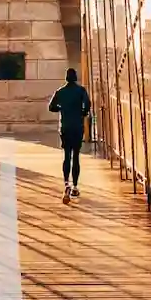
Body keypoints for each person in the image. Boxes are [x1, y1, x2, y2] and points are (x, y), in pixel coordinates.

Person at [49, 67, 92, 202]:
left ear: (66, 78)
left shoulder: (60, 91)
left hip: (65, 127)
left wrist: (61, 108)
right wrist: (83, 112)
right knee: (76, 157)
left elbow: (51, 107)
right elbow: (88, 104)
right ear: (76, 77)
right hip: (77, 127)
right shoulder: (81, 91)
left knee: (67, 156)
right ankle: (75, 186)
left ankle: (66, 183)